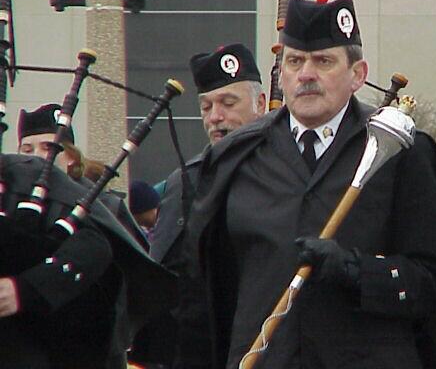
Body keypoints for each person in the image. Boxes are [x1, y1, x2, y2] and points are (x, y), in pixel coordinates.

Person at [186, 0, 436, 369]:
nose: (306, 75)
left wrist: (355, 271)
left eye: (323, 61)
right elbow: (209, 289)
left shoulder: (400, 153)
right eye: (294, 62)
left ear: (358, 74)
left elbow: (435, 282)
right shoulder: (235, 158)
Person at [134, 43, 265, 369]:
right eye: (206, 107)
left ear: (261, 103)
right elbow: (163, 279)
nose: (215, 117)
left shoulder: (291, 170)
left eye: (228, 103)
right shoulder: (187, 181)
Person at [0, 153, 177, 368]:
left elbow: (95, 247)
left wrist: (26, 289)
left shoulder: (30, 178)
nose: (38, 152)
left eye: (47, 146)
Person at [17, 103, 149, 250]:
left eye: (48, 148)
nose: (37, 156)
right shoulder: (9, 197)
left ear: (71, 156)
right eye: (27, 150)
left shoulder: (105, 205)